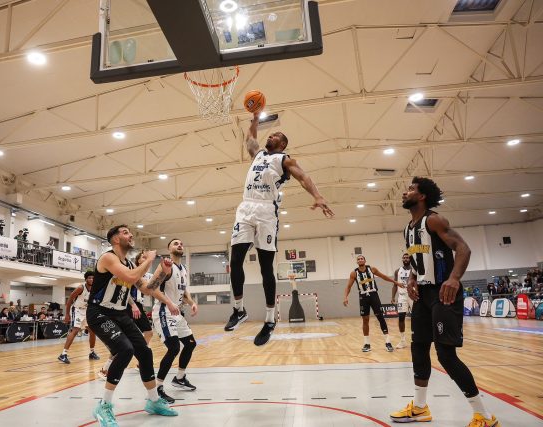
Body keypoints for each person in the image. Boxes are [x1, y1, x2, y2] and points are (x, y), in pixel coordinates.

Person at [390, 177, 500, 427]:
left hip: (444, 293)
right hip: (423, 295)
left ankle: (484, 416)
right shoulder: (408, 228)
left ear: (422, 196)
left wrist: (454, 278)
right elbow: (420, 259)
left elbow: (463, 248)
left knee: (446, 355)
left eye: (410, 190)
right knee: (418, 347)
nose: (404, 193)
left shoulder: (434, 220)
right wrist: (412, 280)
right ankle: (419, 408)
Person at [225, 111, 334, 346]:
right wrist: (254, 120)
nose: (270, 135)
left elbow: (303, 176)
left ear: (282, 144)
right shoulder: (258, 155)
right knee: (235, 261)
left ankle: (269, 319)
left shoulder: (284, 159)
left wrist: (318, 195)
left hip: (266, 213)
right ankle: (239, 309)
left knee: (266, 268)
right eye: (271, 133)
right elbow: (250, 139)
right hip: (245, 209)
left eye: (275, 135)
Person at [87, 224, 179, 426]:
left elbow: (147, 289)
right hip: (100, 313)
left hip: (119, 313)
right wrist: (148, 261)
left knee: (144, 353)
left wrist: (162, 273)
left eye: (130, 232)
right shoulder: (108, 257)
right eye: (125, 232)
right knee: (125, 349)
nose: (130, 235)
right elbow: (129, 277)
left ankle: (154, 401)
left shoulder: (129, 264)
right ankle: (103, 406)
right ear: (115, 239)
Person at [151, 238, 198, 403]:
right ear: (169, 248)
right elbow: (152, 287)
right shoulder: (166, 265)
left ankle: (179, 378)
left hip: (177, 312)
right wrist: (169, 303)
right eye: (175, 243)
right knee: (173, 347)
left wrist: (191, 303)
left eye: (181, 243)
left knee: (191, 343)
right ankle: (157, 388)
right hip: (164, 310)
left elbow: (184, 292)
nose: (179, 245)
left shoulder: (183, 268)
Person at [343, 255, 402, 352]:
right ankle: (367, 344)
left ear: (365, 260)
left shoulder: (372, 269)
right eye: (358, 259)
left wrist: (396, 282)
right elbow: (348, 287)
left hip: (374, 295)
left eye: (362, 258)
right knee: (365, 320)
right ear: (357, 262)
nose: (360, 260)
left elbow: (384, 277)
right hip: (363, 297)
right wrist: (345, 297)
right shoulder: (354, 273)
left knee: (380, 318)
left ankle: (388, 342)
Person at [58, 271, 100, 364]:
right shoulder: (81, 288)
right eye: (89, 278)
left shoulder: (95, 288)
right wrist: (67, 314)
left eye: (93, 278)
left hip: (86, 311)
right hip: (77, 310)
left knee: (92, 331)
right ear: (86, 279)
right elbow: (69, 299)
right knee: (76, 330)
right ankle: (63, 354)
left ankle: (92, 352)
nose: (91, 279)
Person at [392, 253, 412, 349]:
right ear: (402, 259)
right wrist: (393, 297)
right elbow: (395, 284)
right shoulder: (397, 271)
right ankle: (403, 340)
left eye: (407, 257)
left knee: (416, 316)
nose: (405, 259)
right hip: (402, 296)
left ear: (410, 259)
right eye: (404, 257)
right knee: (401, 317)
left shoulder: (414, 270)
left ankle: (416, 337)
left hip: (412, 295)